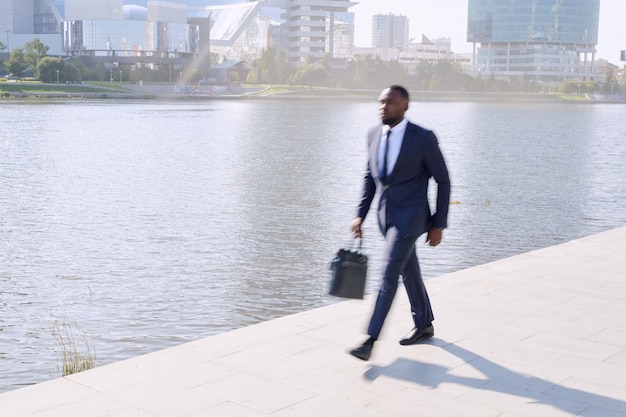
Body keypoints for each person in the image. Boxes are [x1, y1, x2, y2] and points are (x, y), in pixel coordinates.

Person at [349, 85, 451, 361]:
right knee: (409, 271)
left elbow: (443, 179)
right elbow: (370, 178)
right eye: (381, 102)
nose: (384, 107)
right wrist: (361, 214)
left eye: (391, 102)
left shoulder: (423, 138)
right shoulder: (372, 134)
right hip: (386, 219)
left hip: (412, 218)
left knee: (388, 274)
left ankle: (370, 340)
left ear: (406, 105)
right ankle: (424, 324)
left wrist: (438, 224)